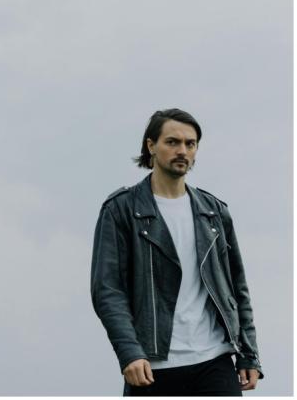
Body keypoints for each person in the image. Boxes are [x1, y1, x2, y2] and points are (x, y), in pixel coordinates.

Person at [91, 109, 263, 396]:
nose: (182, 150)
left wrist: (248, 352)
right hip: (152, 366)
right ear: (151, 146)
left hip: (215, 360)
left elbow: (237, 288)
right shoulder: (120, 209)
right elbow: (107, 290)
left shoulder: (214, 212)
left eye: (190, 143)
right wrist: (129, 352)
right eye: (172, 142)